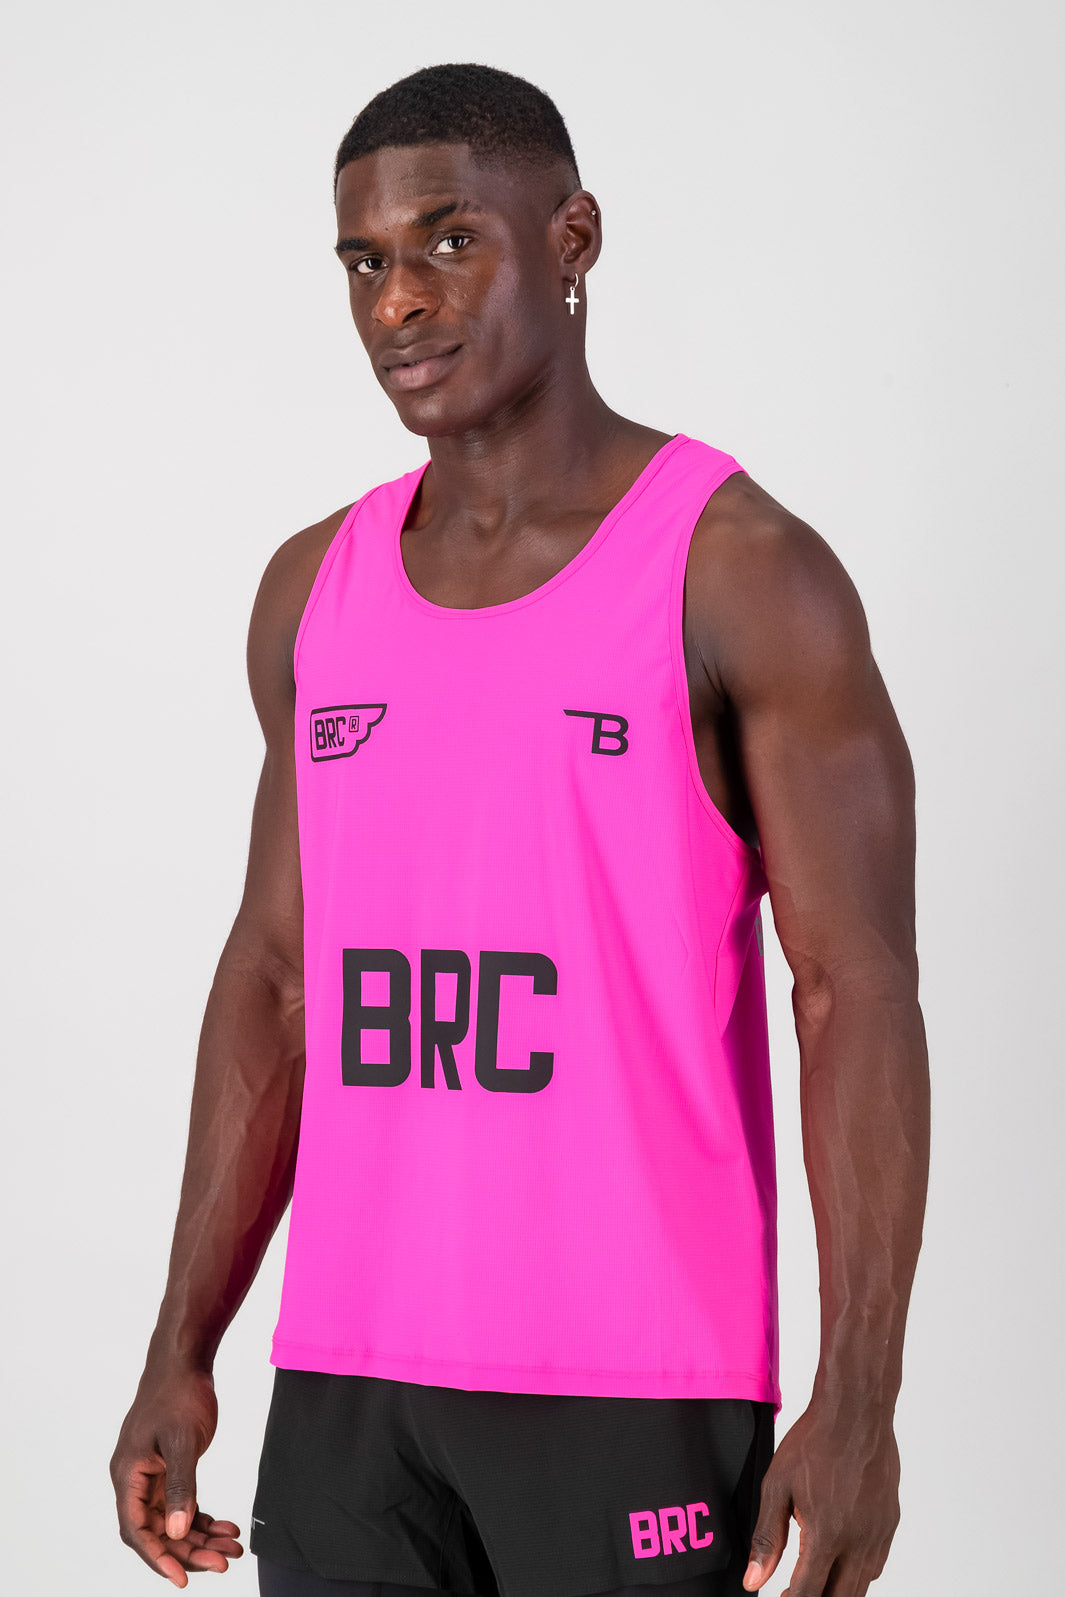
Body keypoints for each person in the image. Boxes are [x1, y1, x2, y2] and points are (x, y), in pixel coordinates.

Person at [110, 61, 930, 1597]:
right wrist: (182, 1343)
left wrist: (860, 1396)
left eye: (447, 241)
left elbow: (854, 991)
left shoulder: (738, 569)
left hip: (633, 1387)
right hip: (348, 1389)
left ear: (571, 238)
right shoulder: (312, 590)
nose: (398, 302)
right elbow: (275, 981)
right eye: (363, 260)